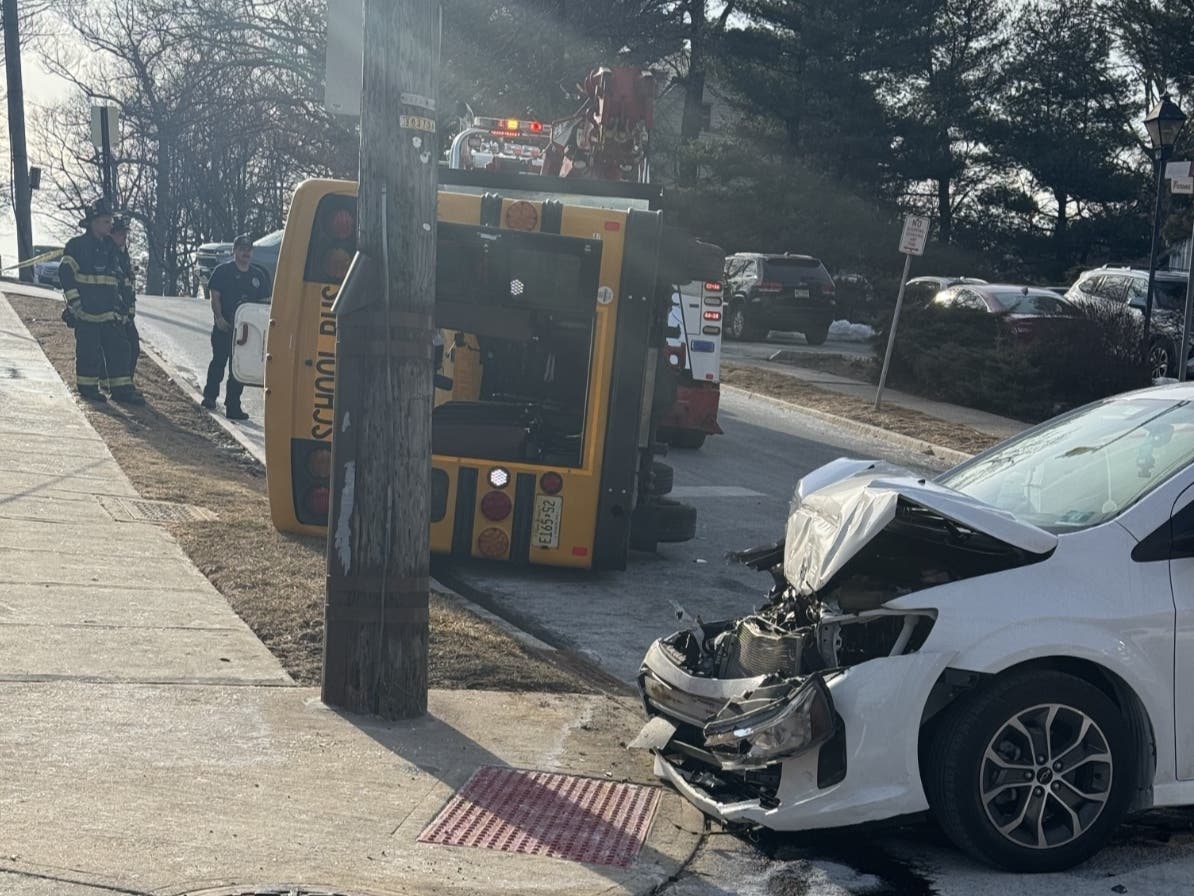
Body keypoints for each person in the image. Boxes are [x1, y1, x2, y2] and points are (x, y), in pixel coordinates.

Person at [59, 199, 143, 405]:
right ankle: (88, 389)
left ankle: (121, 390)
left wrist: (123, 309)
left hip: (109, 313)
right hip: (86, 313)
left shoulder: (111, 247)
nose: (110, 226)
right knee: (89, 352)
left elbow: (121, 278)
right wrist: (74, 303)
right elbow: (65, 273)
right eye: (106, 221)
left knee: (120, 349)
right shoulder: (77, 246)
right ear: (93, 222)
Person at [202, 233, 270, 420]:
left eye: (248, 250)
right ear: (234, 251)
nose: (245, 253)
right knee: (218, 362)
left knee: (238, 369)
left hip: (246, 333)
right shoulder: (223, 272)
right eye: (241, 249)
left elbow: (264, 306)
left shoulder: (259, 276)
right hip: (225, 326)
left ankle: (233, 406)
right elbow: (215, 297)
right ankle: (209, 396)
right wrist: (219, 318)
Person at [110, 216, 140, 377]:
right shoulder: (107, 254)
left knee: (133, 349)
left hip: (126, 315)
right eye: (121, 233)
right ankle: (113, 383)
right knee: (121, 350)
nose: (124, 237)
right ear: (112, 234)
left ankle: (127, 382)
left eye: (125, 234)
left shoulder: (123, 254)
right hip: (114, 314)